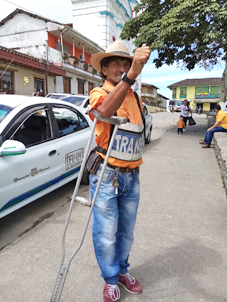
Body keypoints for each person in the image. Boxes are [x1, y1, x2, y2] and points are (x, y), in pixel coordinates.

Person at [88, 40, 151, 302]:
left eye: (125, 63)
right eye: (115, 63)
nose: (122, 68)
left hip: (132, 176)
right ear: (103, 69)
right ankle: (111, 279)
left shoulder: (135, 96)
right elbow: (103, 112)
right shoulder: (98, 92)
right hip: (106, 175)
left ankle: (123, 271)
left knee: (126, 232)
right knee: (105, 233)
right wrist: (132, 75)